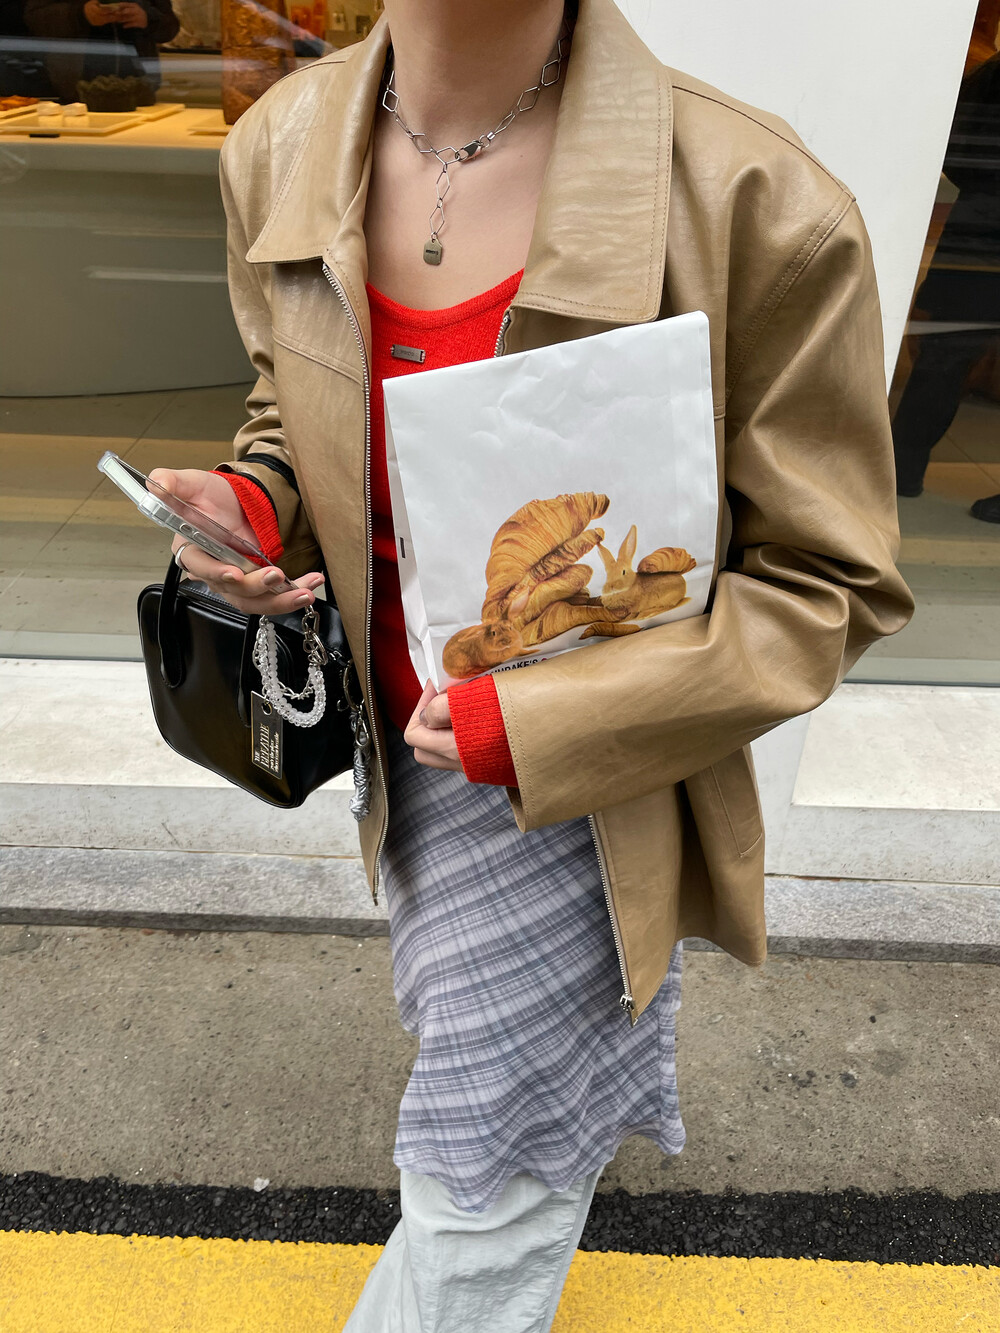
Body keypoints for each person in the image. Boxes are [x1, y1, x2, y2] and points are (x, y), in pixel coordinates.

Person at [149, 1, 914, 1327]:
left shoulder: (755, 200)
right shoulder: (277, 144)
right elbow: (290, 401)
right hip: (398, 761)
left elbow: (827, 582)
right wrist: (258, 500)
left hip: (591, 804)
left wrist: (542, 727)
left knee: (481, 1194)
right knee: (482, 1142)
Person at [892, 48, 1000, 523]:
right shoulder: (992, 74)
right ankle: (901, 466)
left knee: (945, 355)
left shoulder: (991, 75)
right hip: (981, 225)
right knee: (944, 354)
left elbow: (954, 145)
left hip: (981, 223)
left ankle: (902, 467)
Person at [23, 0, 179, 102]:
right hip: (77, 95)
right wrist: (81, 14)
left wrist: (147, 18)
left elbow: (170, 27)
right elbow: (34, 19)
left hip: (138, 92)